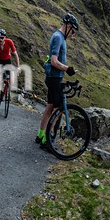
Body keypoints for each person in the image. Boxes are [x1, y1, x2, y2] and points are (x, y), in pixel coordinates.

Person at [37, 13, 79, 148]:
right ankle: (48, 141)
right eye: (72, 31)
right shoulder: (58, 37)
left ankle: (41, 135)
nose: (72, 34)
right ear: (67, 26)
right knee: (57, 110)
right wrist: (67, 69)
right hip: (54, 77)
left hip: (54, 77)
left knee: (50, 107)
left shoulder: (59, 37)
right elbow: (54, 61)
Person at [0, 28, 20, 109]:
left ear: (5, 37)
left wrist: (18, 67)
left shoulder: (9, 42)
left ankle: (5, 90)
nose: (0, 39)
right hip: (0, 61)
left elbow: (15, 54)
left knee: (10, 77)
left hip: (7, 61)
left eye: (2, 37)